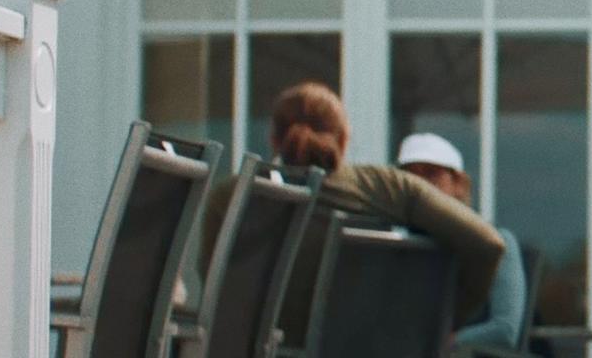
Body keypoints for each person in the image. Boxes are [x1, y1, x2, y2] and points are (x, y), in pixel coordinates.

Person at [202, 82, 507, 339]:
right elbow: (489, 244)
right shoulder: (387, 188)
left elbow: (214, 288)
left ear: (274, 140)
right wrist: (443, 322)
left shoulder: (230, 197)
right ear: (345, 138)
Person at [396, 131, 528, 349]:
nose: (419, 185)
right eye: (410, 177)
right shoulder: (396, 246)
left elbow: (505, 330)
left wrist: (444, 344)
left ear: (458, 183)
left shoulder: (496, 241)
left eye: (431, 174)